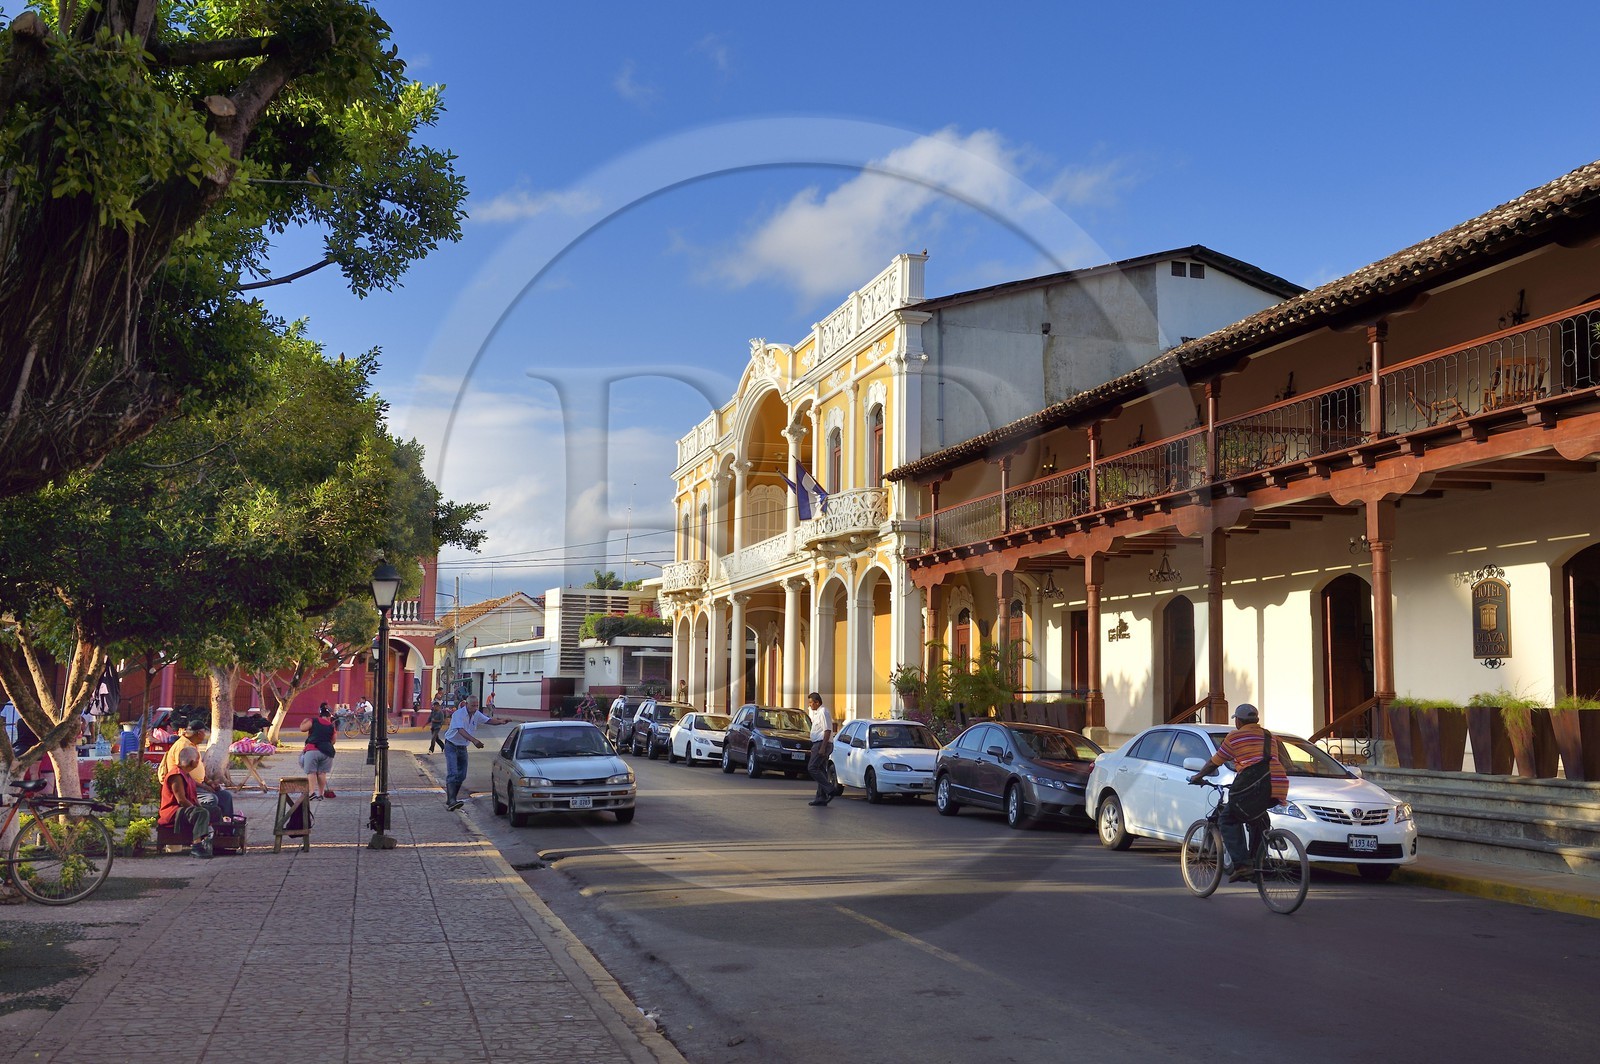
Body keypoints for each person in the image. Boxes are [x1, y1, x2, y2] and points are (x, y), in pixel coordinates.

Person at [1188, 703, 1289, 881]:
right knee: (1258, 817)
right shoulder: (1269, 736)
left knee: (1227, 818)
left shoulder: (1235, 737)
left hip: (1254, 784)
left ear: (1239, 721)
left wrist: (1198, 776)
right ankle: (1258, 862)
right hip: (1277, 784)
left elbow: (1215, 762)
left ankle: (1242, 865)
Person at [156, 724, 235, 819]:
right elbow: (182, 797)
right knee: (211, 799)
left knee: (225, 796)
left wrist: (209, 782)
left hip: (199, 784)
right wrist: (204, 788)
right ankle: (210, 825)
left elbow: (197, 771)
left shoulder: (193, 744)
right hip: (190, 788)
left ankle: (227, 826)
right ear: (199, 733)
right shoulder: (182, 747)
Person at [442, 698, 501, 810]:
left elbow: (488, 720)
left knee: (462, 775)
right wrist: (474, 740)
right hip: (451, 745)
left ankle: (452, 799)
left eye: (477, 705)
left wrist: (501, 722)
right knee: (453, 773)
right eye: (473, 705)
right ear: (466, 704)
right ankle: (451, 800)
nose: (475, 708)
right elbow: (460, 730)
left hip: (462, 747)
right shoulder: (458, 714)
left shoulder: (476, 714)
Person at [159, 747, 214, 859]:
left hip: (185, 810)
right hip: (174, 812)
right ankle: (196, 845)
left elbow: (193, 797)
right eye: (198, 760)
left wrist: (200, 806)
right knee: (201, 813)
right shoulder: (176, 775)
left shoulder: (186, 774)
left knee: (214, 810)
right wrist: (197, 809)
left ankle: (211, 841)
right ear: (193, 762)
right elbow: (181, 800)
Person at [805, 692, 843, 807]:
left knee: (812, 767)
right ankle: (821, 797)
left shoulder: (823, 712)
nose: (810, 705)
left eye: (811, 703)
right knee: (821, 769)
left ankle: (830, 788)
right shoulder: (817, 713)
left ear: (817, 702)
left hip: (822, 744)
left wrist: (822, 747)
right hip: (817, 743)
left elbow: (827, 730)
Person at [298, 704, 338, 799]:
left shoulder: (313, 721)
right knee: (322, 773)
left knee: (311, 772)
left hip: (312, 749)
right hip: (327, 752)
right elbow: (333, 741)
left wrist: (304, 721)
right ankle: (321, 794)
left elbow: (302, 729)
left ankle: (312, 793)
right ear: (329, 717)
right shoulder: (331, 727)